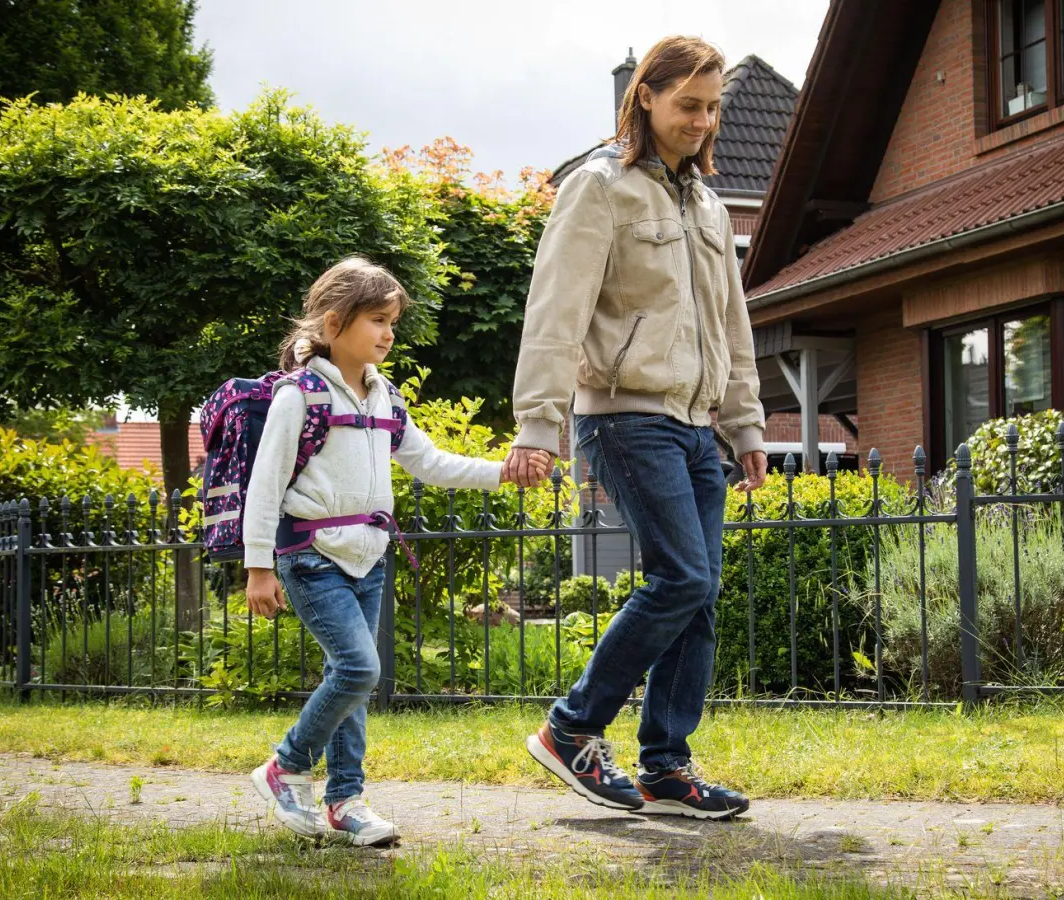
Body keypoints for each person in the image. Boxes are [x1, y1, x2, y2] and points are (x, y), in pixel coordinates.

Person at [504, 36, 768, 821]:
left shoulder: (710, 205)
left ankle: (665, 768)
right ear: (644, 98)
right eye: (689, 104)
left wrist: (748, 424)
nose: (703, 120)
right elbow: (556, 310)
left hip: (696, 423)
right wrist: (536, 425)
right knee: (682, 577)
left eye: (713, 106)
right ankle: (573, 728)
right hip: (623, 415)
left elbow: (734, 321)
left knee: (702, 593)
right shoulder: (599, 189)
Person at [243, 257, 549, 844]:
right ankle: (285, 766)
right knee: (360, 669)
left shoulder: (385, 396)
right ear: (334, 324)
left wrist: (502, 473)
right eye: (377, 321)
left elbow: (430, 463)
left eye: (392, 323)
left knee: (349, 678)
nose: (388, 334)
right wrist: (259, 567)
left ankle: (345, 802)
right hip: (311, 556)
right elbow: (266, 483)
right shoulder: (299, 396)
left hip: (369, 556)